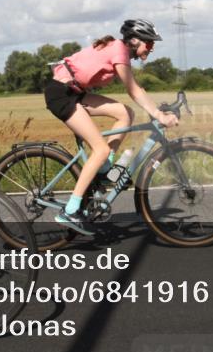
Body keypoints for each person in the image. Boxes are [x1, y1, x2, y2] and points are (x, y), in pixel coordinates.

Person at [44, 18, 178, 234]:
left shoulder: (119, 50)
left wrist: (157, 110)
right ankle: (69, 210)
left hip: (75, 93)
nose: (151, 49)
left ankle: (106, 169)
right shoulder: (119, 51)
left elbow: (137, 89)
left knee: (125, 113)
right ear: (135, 41)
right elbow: (133, 90)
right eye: (150, 44)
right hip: (61, 95)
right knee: (101, 148)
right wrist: (159, 115)